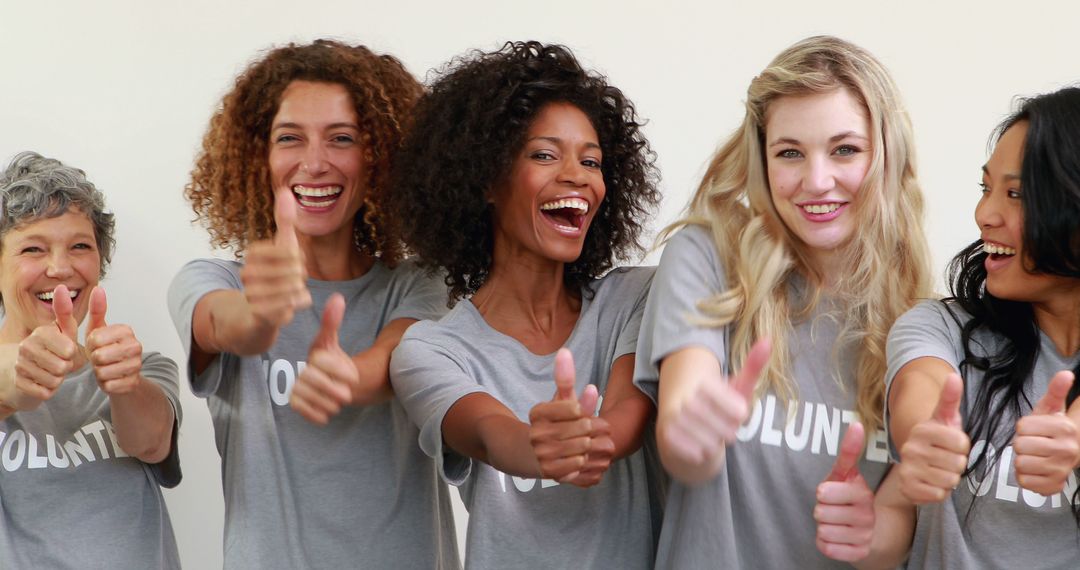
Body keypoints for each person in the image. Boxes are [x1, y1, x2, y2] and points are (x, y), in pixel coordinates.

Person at [634, 35, 933, 568]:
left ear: (886, 154)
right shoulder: (709, 257)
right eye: (790, 152)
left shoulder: (920, 321)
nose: (817, 182)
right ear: (763, 160)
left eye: (845, 149)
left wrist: (872, 534)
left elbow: (892, 539)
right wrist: (693, 432)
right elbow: (684, 443)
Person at [167, 40, 459, 568]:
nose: (315, 163)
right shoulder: (212, 280)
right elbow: (224, 325)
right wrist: (260, 315)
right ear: (259, 158)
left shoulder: (420, 284)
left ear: (381, 158)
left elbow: (402, 355)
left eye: (342, 139)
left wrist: (351, 374)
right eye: (290, 139)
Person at [387, 41, 663, 569]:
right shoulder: (430, 350)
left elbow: (629, 413)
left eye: (591, 161)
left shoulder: (634, 299)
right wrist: (541, 446)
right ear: (487, 179)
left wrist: (591, 438)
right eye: (544, 154)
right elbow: (492, 436)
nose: (577, 176)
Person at [887, 86, 1080, 568]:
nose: (984, 214)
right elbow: (921, 389)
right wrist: (927, 439)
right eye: (986, 188)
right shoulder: (941, 326)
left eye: (1015, 194)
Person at [0, 151, 181, 568]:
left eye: (80, 246)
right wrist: (16, 381)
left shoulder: (144, 366)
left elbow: (152, 443)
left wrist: (126, 385)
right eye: (33, 248)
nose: (60, 268)